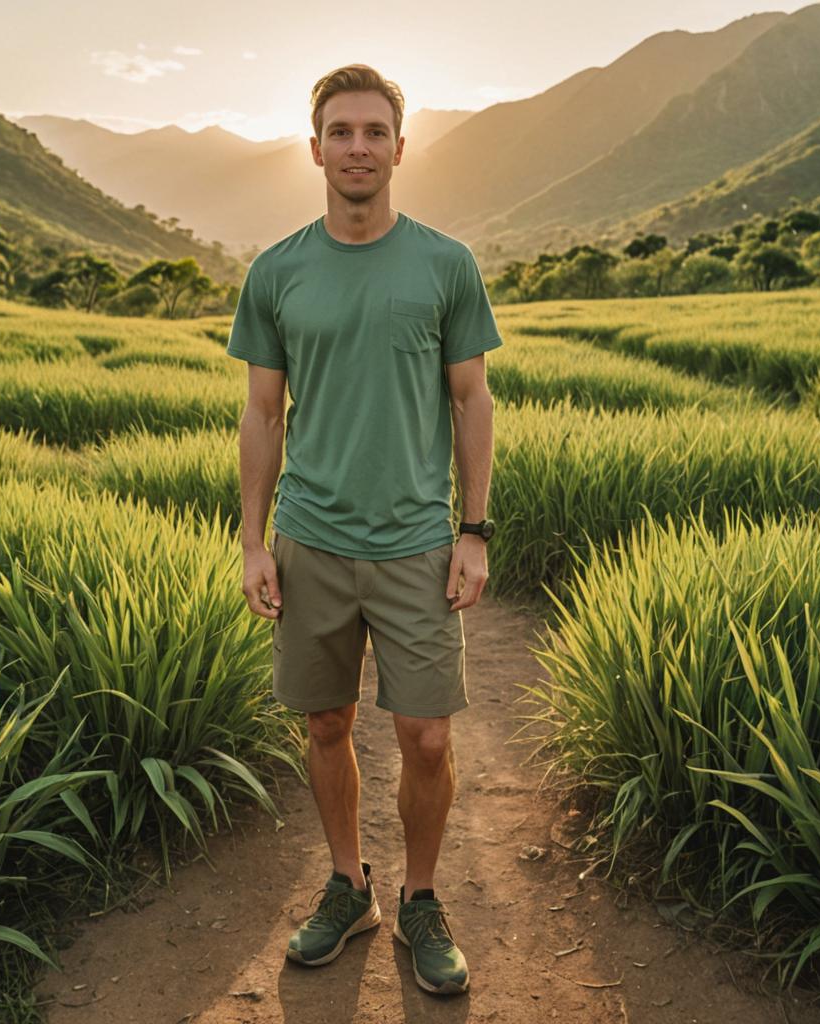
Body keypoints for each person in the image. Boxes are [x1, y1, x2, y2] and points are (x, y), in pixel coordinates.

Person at [226, 62, 502, 997]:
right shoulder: (277, 271)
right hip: (310, 538)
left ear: (398, 145)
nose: (356, 147)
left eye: (373, 131)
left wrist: (475, 529)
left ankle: (421, 897)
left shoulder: (444, 264)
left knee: (426, 737)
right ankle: (350, 885)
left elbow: (471, 398)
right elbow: (263, 415)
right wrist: (255, 542)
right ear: (314, 148)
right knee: (327, 720)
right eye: (339, 131)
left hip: (419, 542)